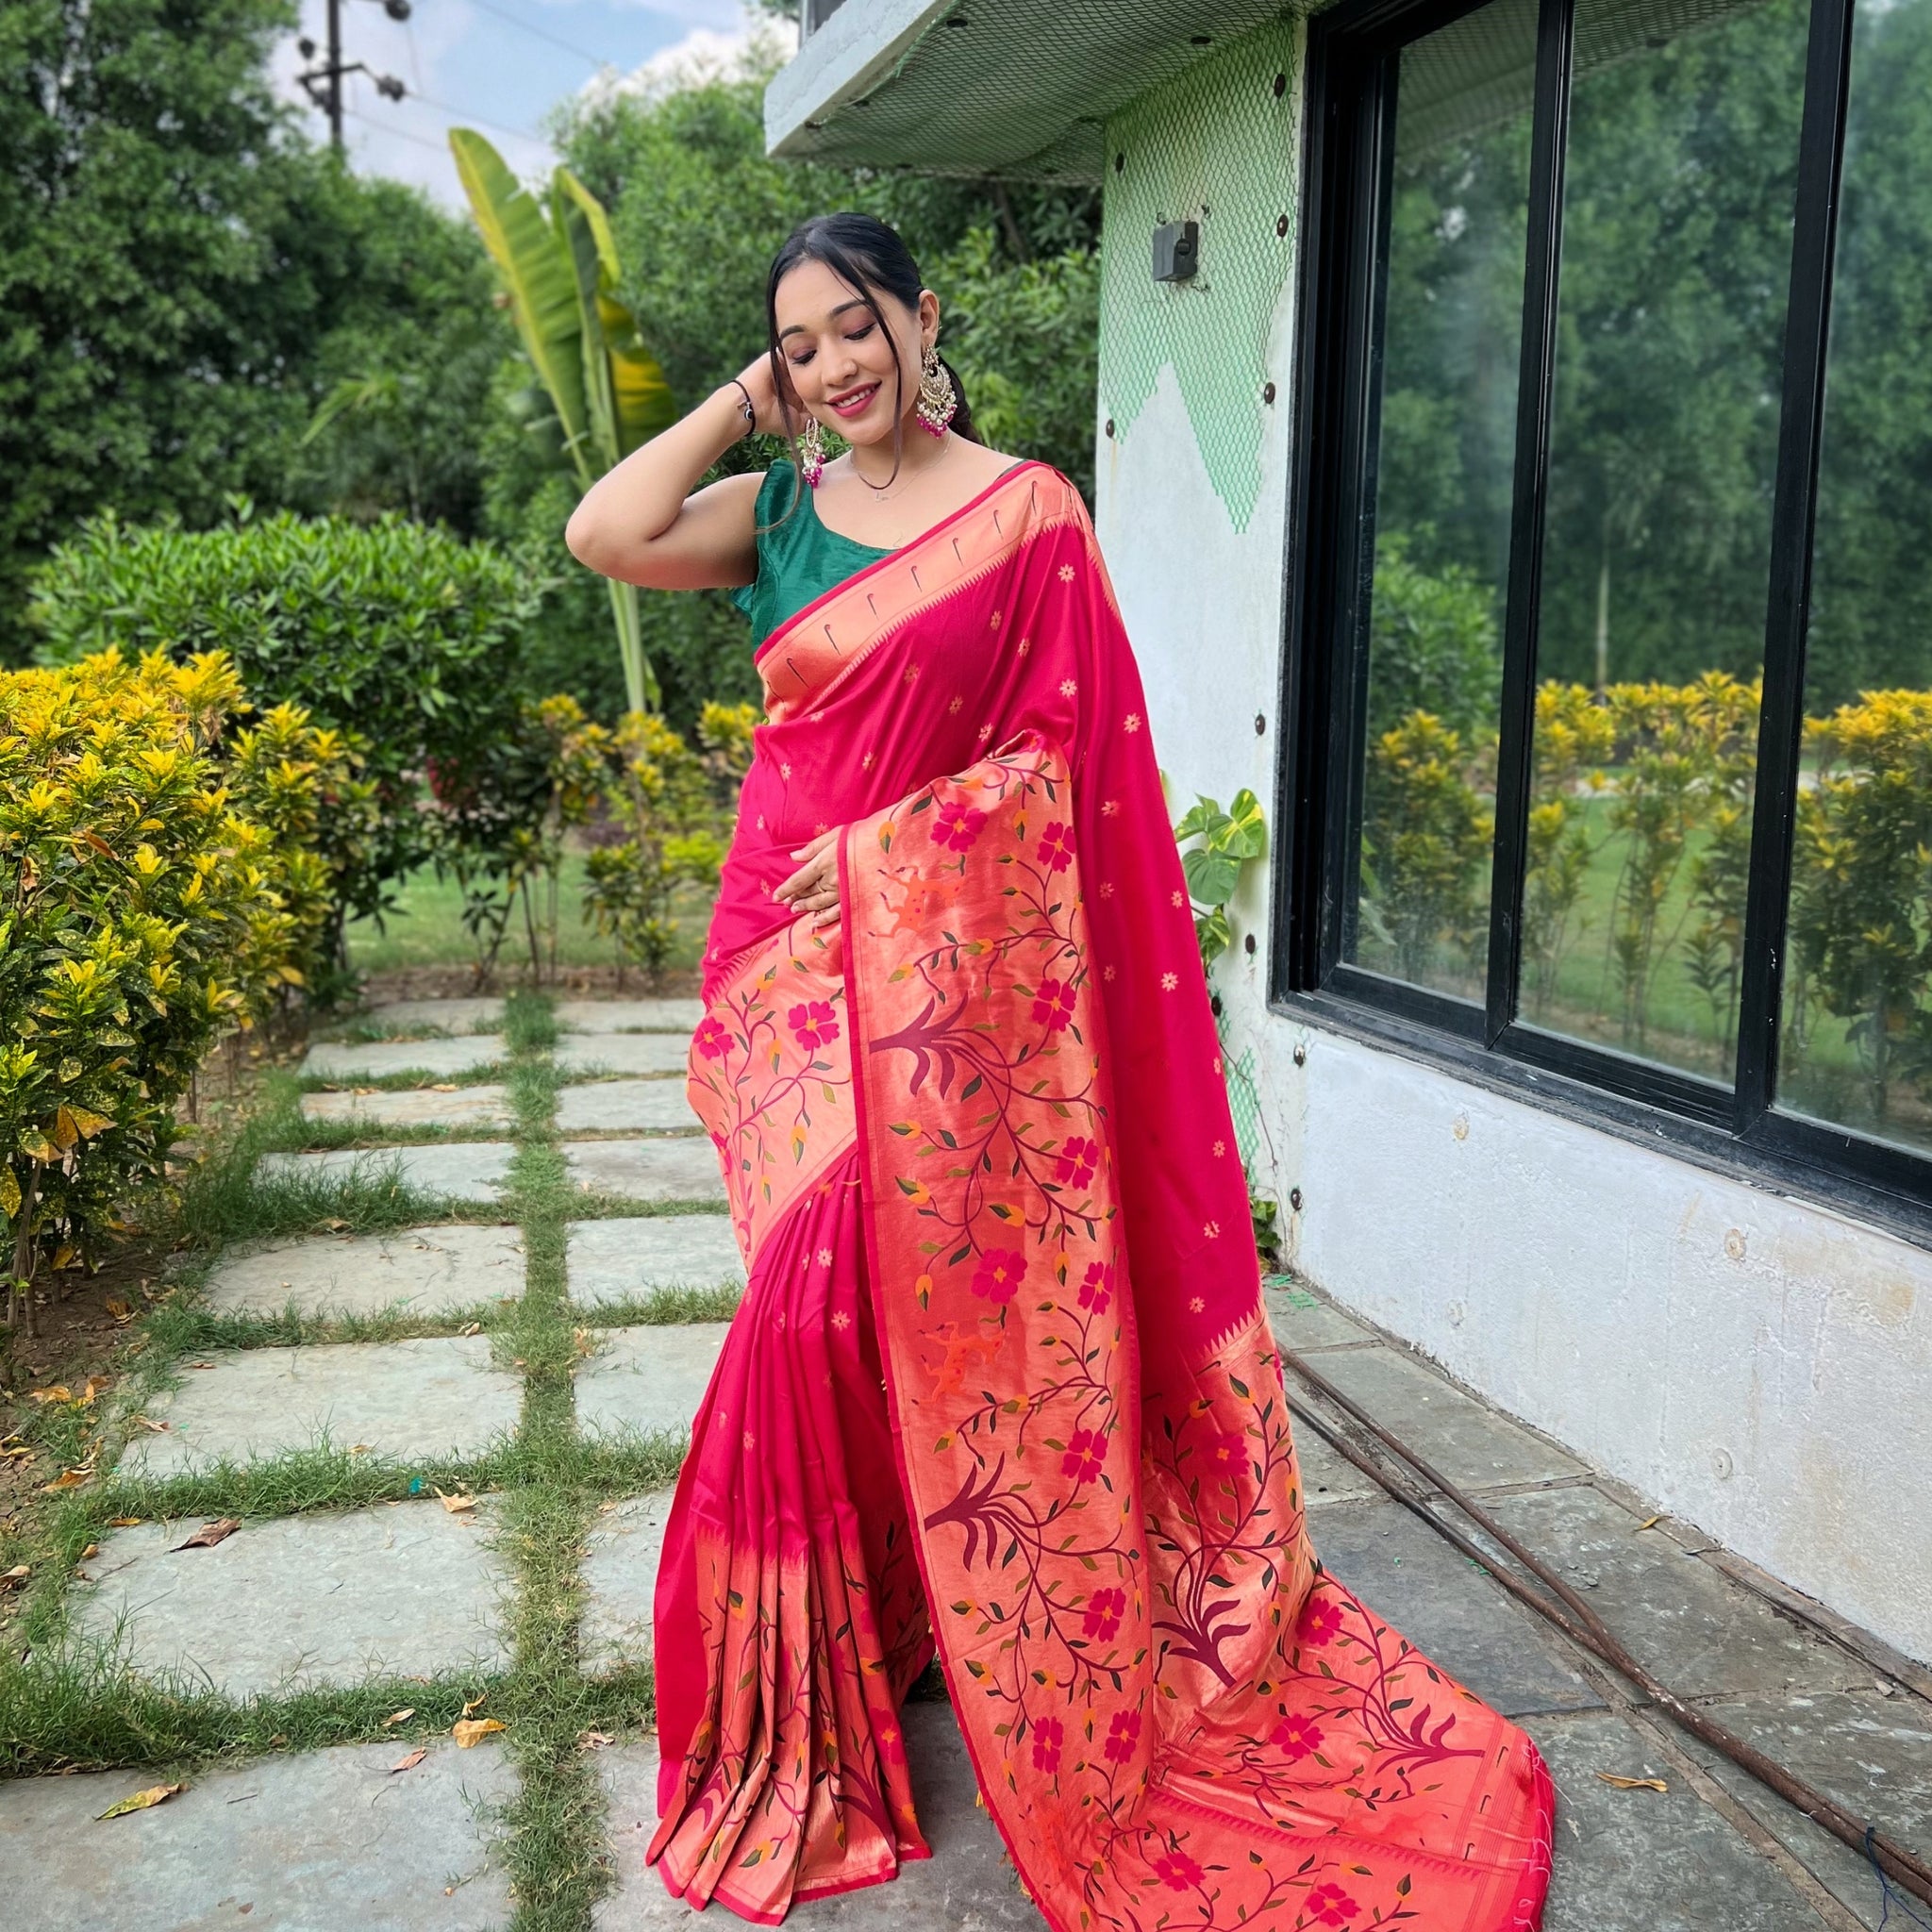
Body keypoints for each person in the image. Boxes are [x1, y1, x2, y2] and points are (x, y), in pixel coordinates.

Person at [566, 211, 1555, 1930]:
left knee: (895, 1288)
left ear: (922, 318)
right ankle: (808, 1689)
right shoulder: (784, 513)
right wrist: (747, 398)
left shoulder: (1023, 514)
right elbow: (606, 531)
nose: (836, 365)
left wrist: (895, 849)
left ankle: (910, 1617)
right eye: (801, 344)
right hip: (779, 960)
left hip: (933, 946)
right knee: (816, 1281)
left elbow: (1055, 766)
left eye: (856, 327)